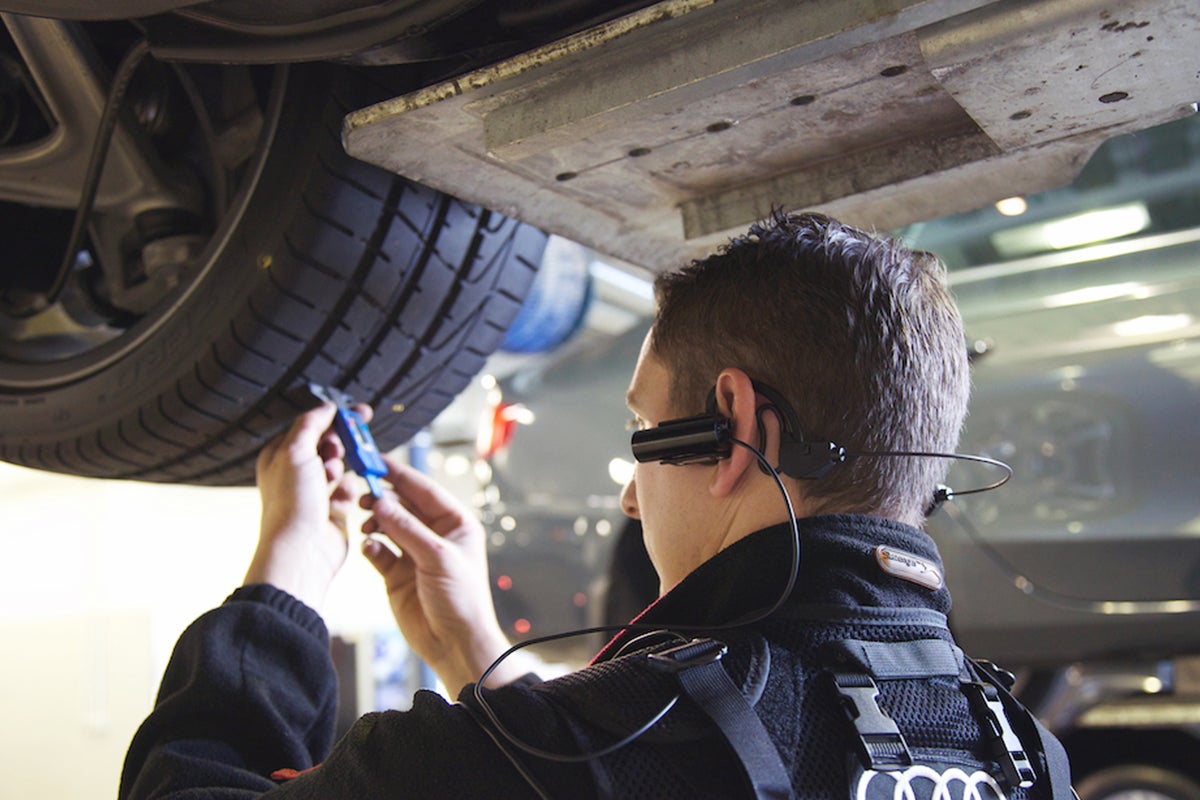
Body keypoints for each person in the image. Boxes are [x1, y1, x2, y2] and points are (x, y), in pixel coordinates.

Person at [118, 211, 1071, 799]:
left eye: (640, 438)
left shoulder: (600, 744)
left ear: (735, 425)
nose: (627, 495)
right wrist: (473, 657)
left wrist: (281, 584)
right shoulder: (1024, 758)